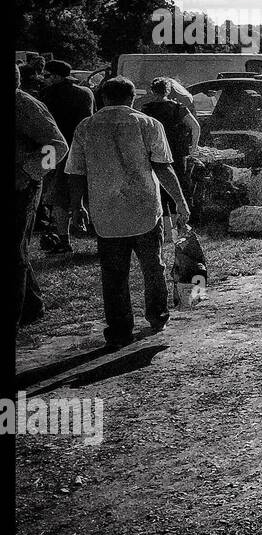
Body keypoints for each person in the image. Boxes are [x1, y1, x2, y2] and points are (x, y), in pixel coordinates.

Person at [65, 76, 191, 348]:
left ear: (103, 98)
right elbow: (164, 168)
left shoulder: (86, 127)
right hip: (145, 208)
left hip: (105, 212)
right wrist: (180, 202)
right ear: (132, 98)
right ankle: (157, 315)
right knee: (153, 266)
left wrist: (77, 207)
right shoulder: (148, 124)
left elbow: (75, 172)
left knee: (113, 274)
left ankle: (120, 329)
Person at [15, 65, 69, 336]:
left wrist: (29, 172)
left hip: (20, 187)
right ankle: (32, 306)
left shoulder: (23, 105)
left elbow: (56, 146)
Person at [37, 60, 94, 252]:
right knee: (87, 191)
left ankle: (63, 238)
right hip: (82, 147)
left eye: (47, 75)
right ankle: (94, 231)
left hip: (53, 149)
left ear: (55, 76)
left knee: (55, 194)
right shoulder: (86, 93)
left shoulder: (47, 95)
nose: (44, 79)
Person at [139, 77, 201, 225]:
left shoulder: (146, 109)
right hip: (176, 152)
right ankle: (178, 225)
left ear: (152, 90)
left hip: (154, 152)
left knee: (158, 188)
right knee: (178, 186)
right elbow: (195, 127)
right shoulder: (178, 108)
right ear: (168, 90)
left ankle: (165, 227)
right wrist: (193, 147)